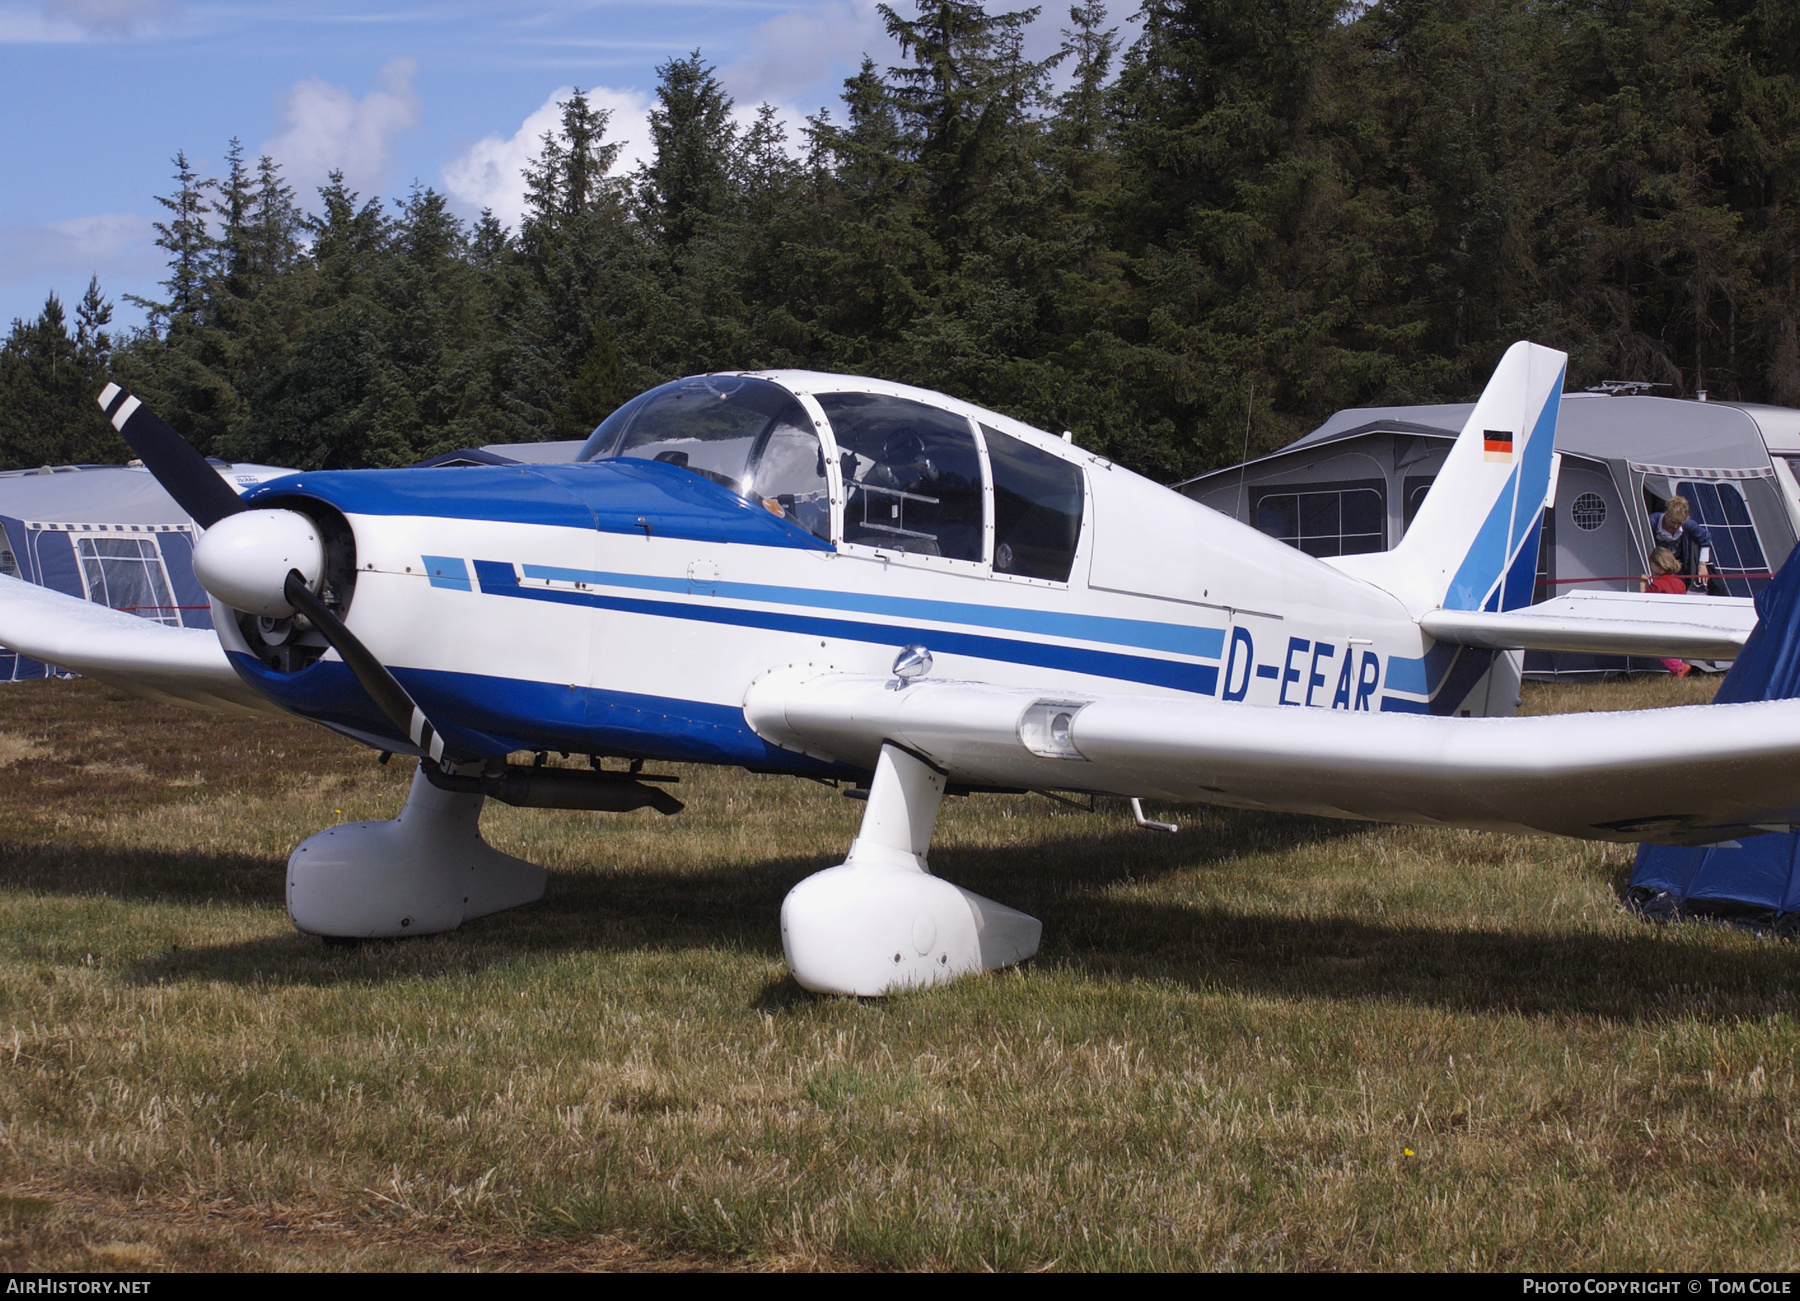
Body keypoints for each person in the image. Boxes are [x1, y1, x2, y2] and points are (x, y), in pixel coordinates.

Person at [1641, 547, 1692, 677]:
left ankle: (1678, 667)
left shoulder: (1656, 585)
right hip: (1677, 620)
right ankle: (1678, 667)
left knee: (1654, 646)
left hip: (1661, 621)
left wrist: (1642, 583)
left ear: (1658, 565)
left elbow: (1643, 602)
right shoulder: (1680, 583)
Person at [1648, 495, 1713, 590]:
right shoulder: (1652, 522)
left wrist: (1702, 564)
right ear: (1666, 514)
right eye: (1672, 522)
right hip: (1657, 566)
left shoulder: (1688, 525)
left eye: (1679, 523)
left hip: (1679, 567)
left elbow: (1705, 538)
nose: (1675, 526)